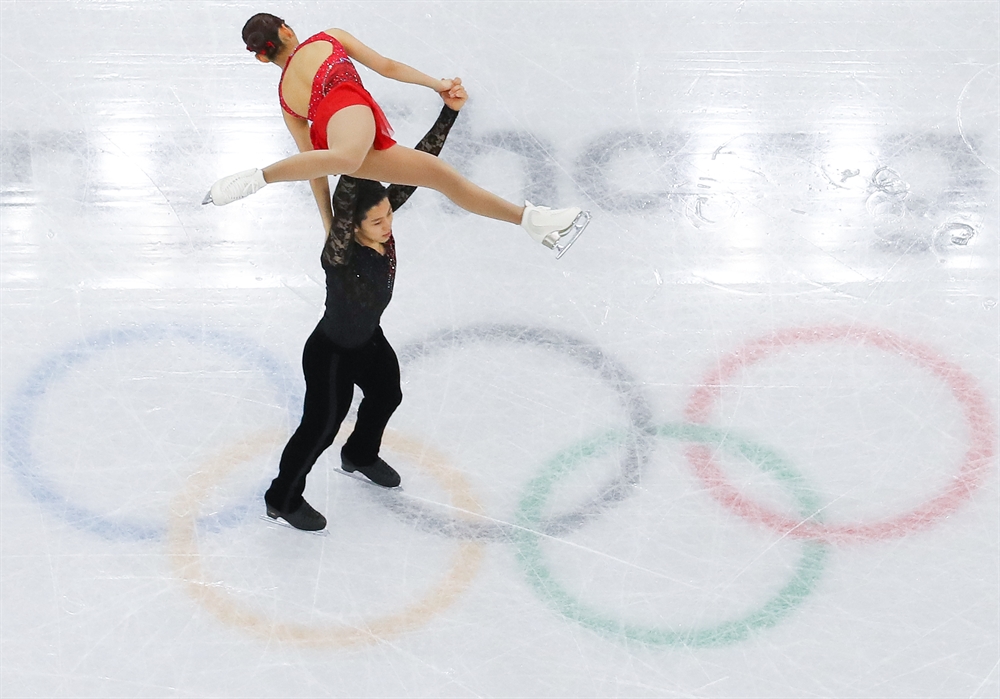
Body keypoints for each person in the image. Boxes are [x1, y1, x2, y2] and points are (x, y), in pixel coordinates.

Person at [263, 82, 469, 532]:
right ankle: (282, 497)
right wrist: (350, 145)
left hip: (367, 339)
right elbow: (347, 184)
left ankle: (359, 454)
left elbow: (421, 165)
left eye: (389, 216)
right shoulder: (339, 252)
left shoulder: (379, 221)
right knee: (318, 429)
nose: (387, 225)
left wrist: (448, 114)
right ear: (350, 225)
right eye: (376, 221)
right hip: (331, 352)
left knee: (387, 394)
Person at [204, 13, 588, 253]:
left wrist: (329, 222)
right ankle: (259, 177)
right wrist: (435, 82)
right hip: (349, 116)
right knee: (348, 157)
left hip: (343, 141)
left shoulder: (287, 101)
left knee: (443, 177)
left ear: (261, 57)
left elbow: (314, 169)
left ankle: (531, 221)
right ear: (287, 29)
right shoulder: (327, 39)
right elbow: (386, 66)